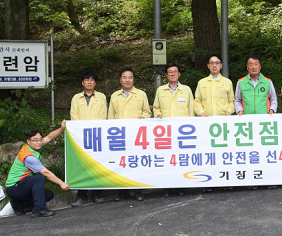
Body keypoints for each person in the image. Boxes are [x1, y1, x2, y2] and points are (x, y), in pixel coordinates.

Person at [5, 121, 70, 217]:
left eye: (40, 139)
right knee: (39, 177)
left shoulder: (33, 146)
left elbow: (49, 137)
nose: (39, 142)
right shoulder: (29, 157)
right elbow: (46, 173)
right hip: (14, 188)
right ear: (28, 141)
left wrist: (61, 128)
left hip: (23, 185)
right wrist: (61, 183)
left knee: (48, 195)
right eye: (35, 140)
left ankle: (21, 204)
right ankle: (40, 209)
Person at [109, 67, 151, 201]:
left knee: (136, 162)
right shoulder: (115, 96)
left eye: (130, 77)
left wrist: (143, 118)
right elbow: (110, 116)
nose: (127, 80)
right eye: (124, 77)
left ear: (134, 79)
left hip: (137, 135)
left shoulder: (141, 94)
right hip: (120, 136)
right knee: (121, 163)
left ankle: (138, 191)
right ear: (120, 80)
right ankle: (122, 191)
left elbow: (147, 112)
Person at [153, 62, 194, 198]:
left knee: (181, 160)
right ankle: (167, 187)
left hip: (183, 133)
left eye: (175, 72)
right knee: (167, 160)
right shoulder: (160, 90)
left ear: (179, 74)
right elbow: (156, 108)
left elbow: (191, 110)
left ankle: (181, 186)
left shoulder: (186, 90)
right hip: (165, 133)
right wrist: (157, 114)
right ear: (166, 75)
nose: (172, 74)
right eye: (170, 72)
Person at [70, 70, 107, 207]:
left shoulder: (101, 97)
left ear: (95, 83)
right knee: (82, 165)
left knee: (96, 165)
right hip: (81, 136)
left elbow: (104, 115)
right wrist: (80, 130)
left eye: (92, 80)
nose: (89, 82)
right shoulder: (76, 98)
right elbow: (74, 116)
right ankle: (82, 195)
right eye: (86, 80)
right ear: (82, 83)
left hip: (97, 135)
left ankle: (97, 194)